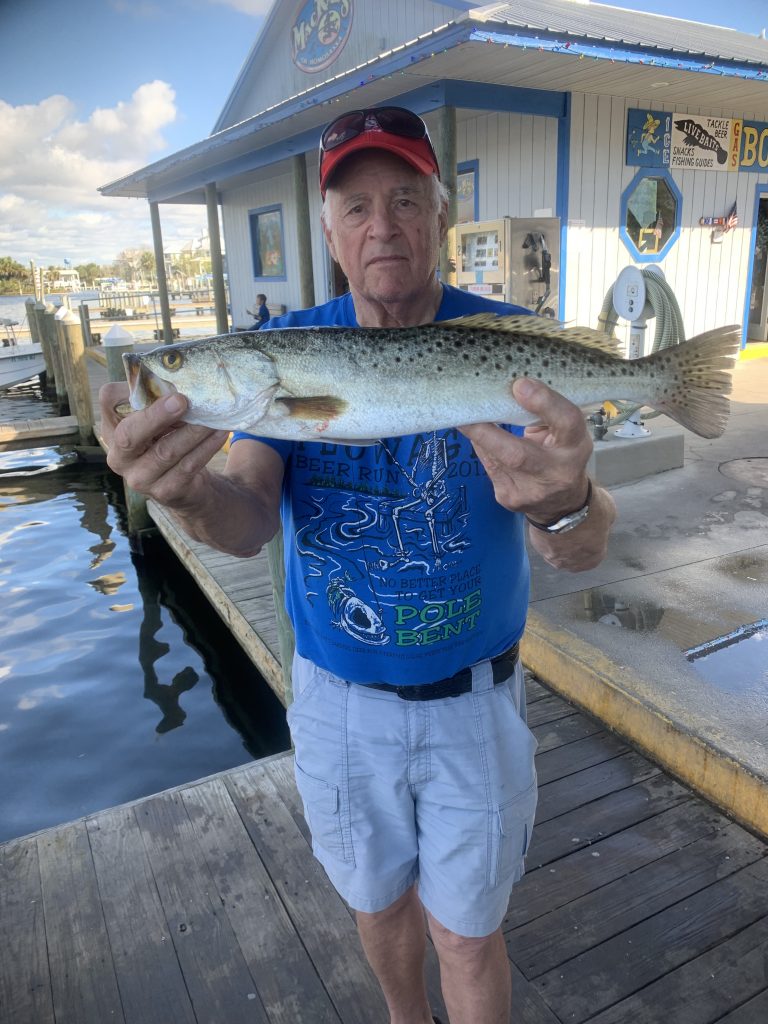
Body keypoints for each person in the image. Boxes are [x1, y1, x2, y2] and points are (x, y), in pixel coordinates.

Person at [100, 105, 616, 1024]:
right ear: (330, 231)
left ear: (442, 215)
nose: (384, 225)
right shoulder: (287, 356)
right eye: (357, 206)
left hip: (476, 702)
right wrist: (183, 497)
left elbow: (580, 545)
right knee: (378, 910)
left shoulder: (509, 341)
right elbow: (250, 516)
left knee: (466, 934)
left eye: (407, 199)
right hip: (339, 705)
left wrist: (566, 501)